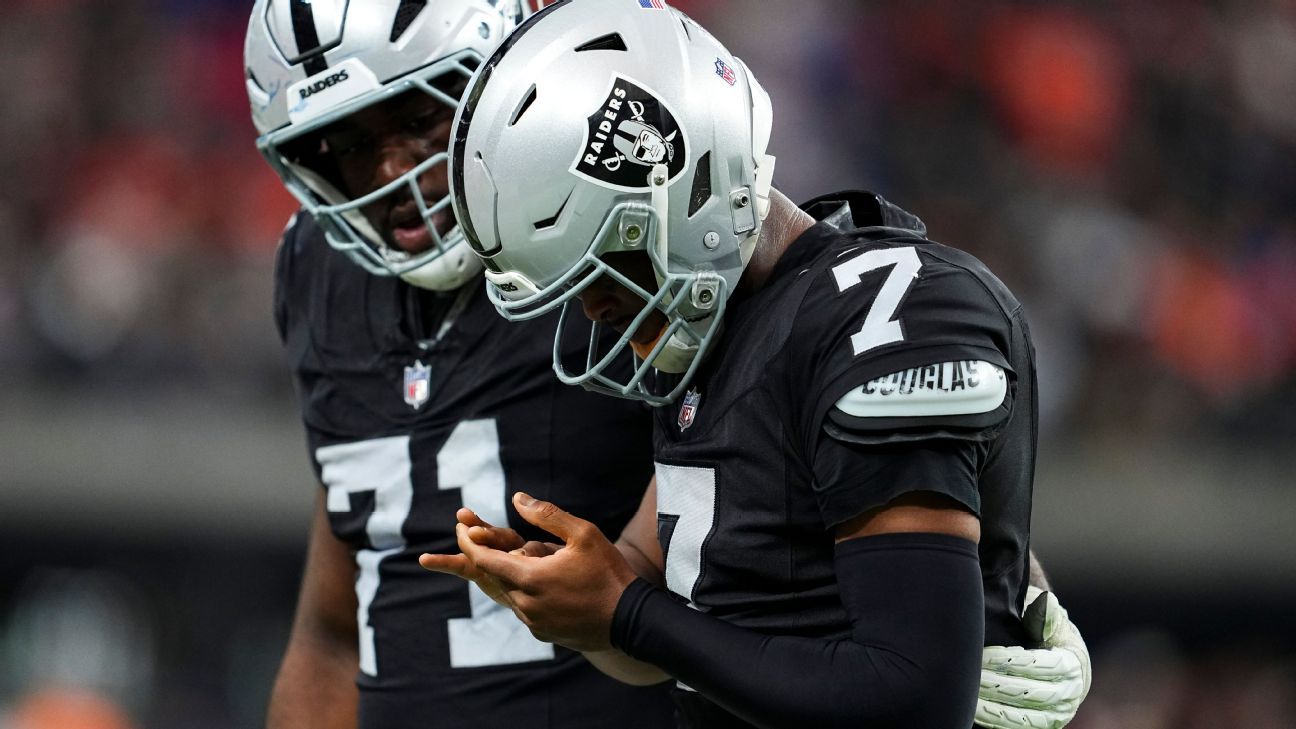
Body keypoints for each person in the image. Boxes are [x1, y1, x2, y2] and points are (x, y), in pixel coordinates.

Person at [423, 1, 1091, 727]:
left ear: (686, 187)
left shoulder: (891, 314)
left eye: (604, 263)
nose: (593, 308)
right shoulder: (724, 326)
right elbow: (662, 616)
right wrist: (574, 596)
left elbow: (913, 701)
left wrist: (627, 614)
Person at [244, 1, 677, 727]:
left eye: (421, 118)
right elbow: (333, 631)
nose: (393, 173)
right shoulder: (319, 269)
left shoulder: (625, 225)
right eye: (349, 143)